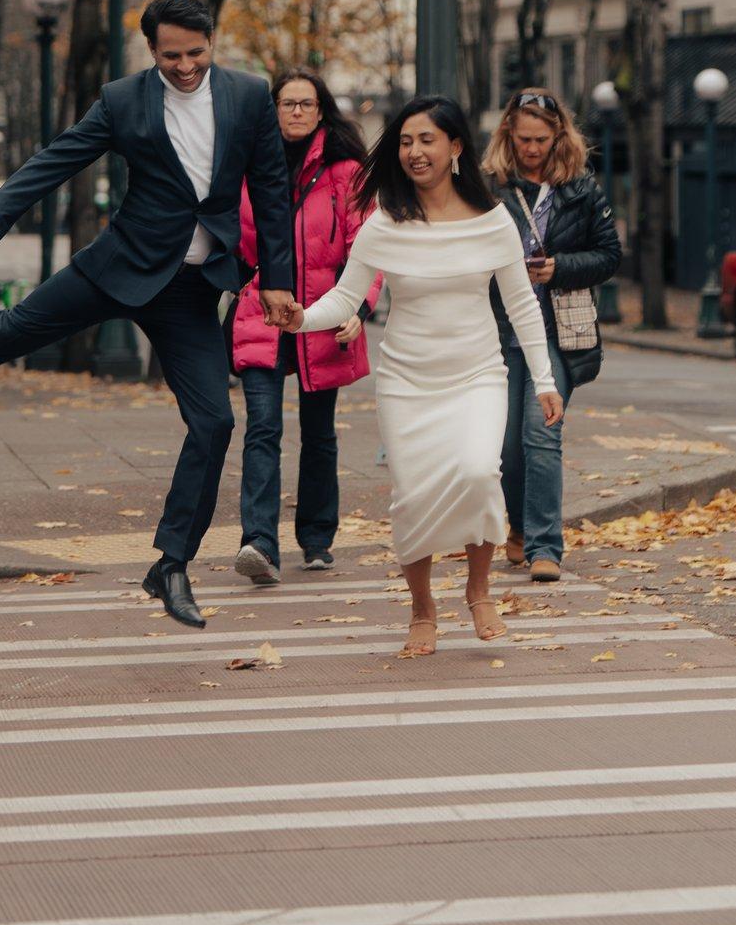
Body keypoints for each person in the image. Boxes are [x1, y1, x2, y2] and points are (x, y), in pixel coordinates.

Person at [0, 0, 297, 629]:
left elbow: (270, 188)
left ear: (211, 44)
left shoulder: (248, 96)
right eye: (170, 55)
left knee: (214, 425)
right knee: (7, 331)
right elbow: (54, 162)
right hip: (118, 266)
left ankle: (170, 565)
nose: (185, 66)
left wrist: (276, 278)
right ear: (150, 49)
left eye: (196, 53)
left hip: (189, 289)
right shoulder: (124, 100)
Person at [273, 95, 559, 659]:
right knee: (414, 495)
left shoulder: (493, 219)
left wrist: (545, 380)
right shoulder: (385, 223)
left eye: (426, 140)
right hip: (406, 382)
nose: (414, 152)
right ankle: (422, 608)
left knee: (480, 472)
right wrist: (303, 317)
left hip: (477, 374)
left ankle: (478, 591)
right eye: (405, 142)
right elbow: (346, 298)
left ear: (455, 147)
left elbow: (522, 305)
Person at [228, 67, 373, 581]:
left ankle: (316, 538)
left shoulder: (345, 171)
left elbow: (365, 246)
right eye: (285, 103)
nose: (294, 112)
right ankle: (259, 544)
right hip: (262, 310)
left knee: (319, 432)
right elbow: (229, 236)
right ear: (272, 110)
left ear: (320, 111)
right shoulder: (247, 164)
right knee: (262, 427)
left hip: (324, 316)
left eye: (304, 104)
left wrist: (359, 306)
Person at [484, 86, 620, 583]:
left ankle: (546, 547)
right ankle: (518, 528)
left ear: (558, 135)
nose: (532, 149)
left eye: (541, 139)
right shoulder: (489, 188)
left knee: (542, 435)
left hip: (557, 334)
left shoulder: (580, 189)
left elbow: (609, 256)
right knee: (506, 447)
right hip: (500, 333)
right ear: (508, 135)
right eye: (523, 139)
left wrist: (559, 268)